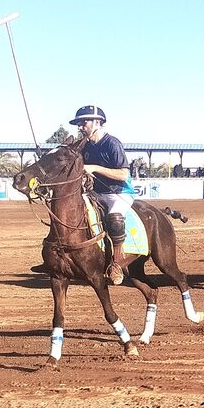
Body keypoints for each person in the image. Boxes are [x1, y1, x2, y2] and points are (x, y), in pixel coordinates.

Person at [69, 105, 134, 286]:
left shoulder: (112, 143)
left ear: (98, 123)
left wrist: (95, 168)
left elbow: (123, 174)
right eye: (79, 124)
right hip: (95, 194)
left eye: (84, 122)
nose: (80, 127)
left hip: (119, 193)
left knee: (114, 219)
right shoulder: (86, 146)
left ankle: (116, 264)